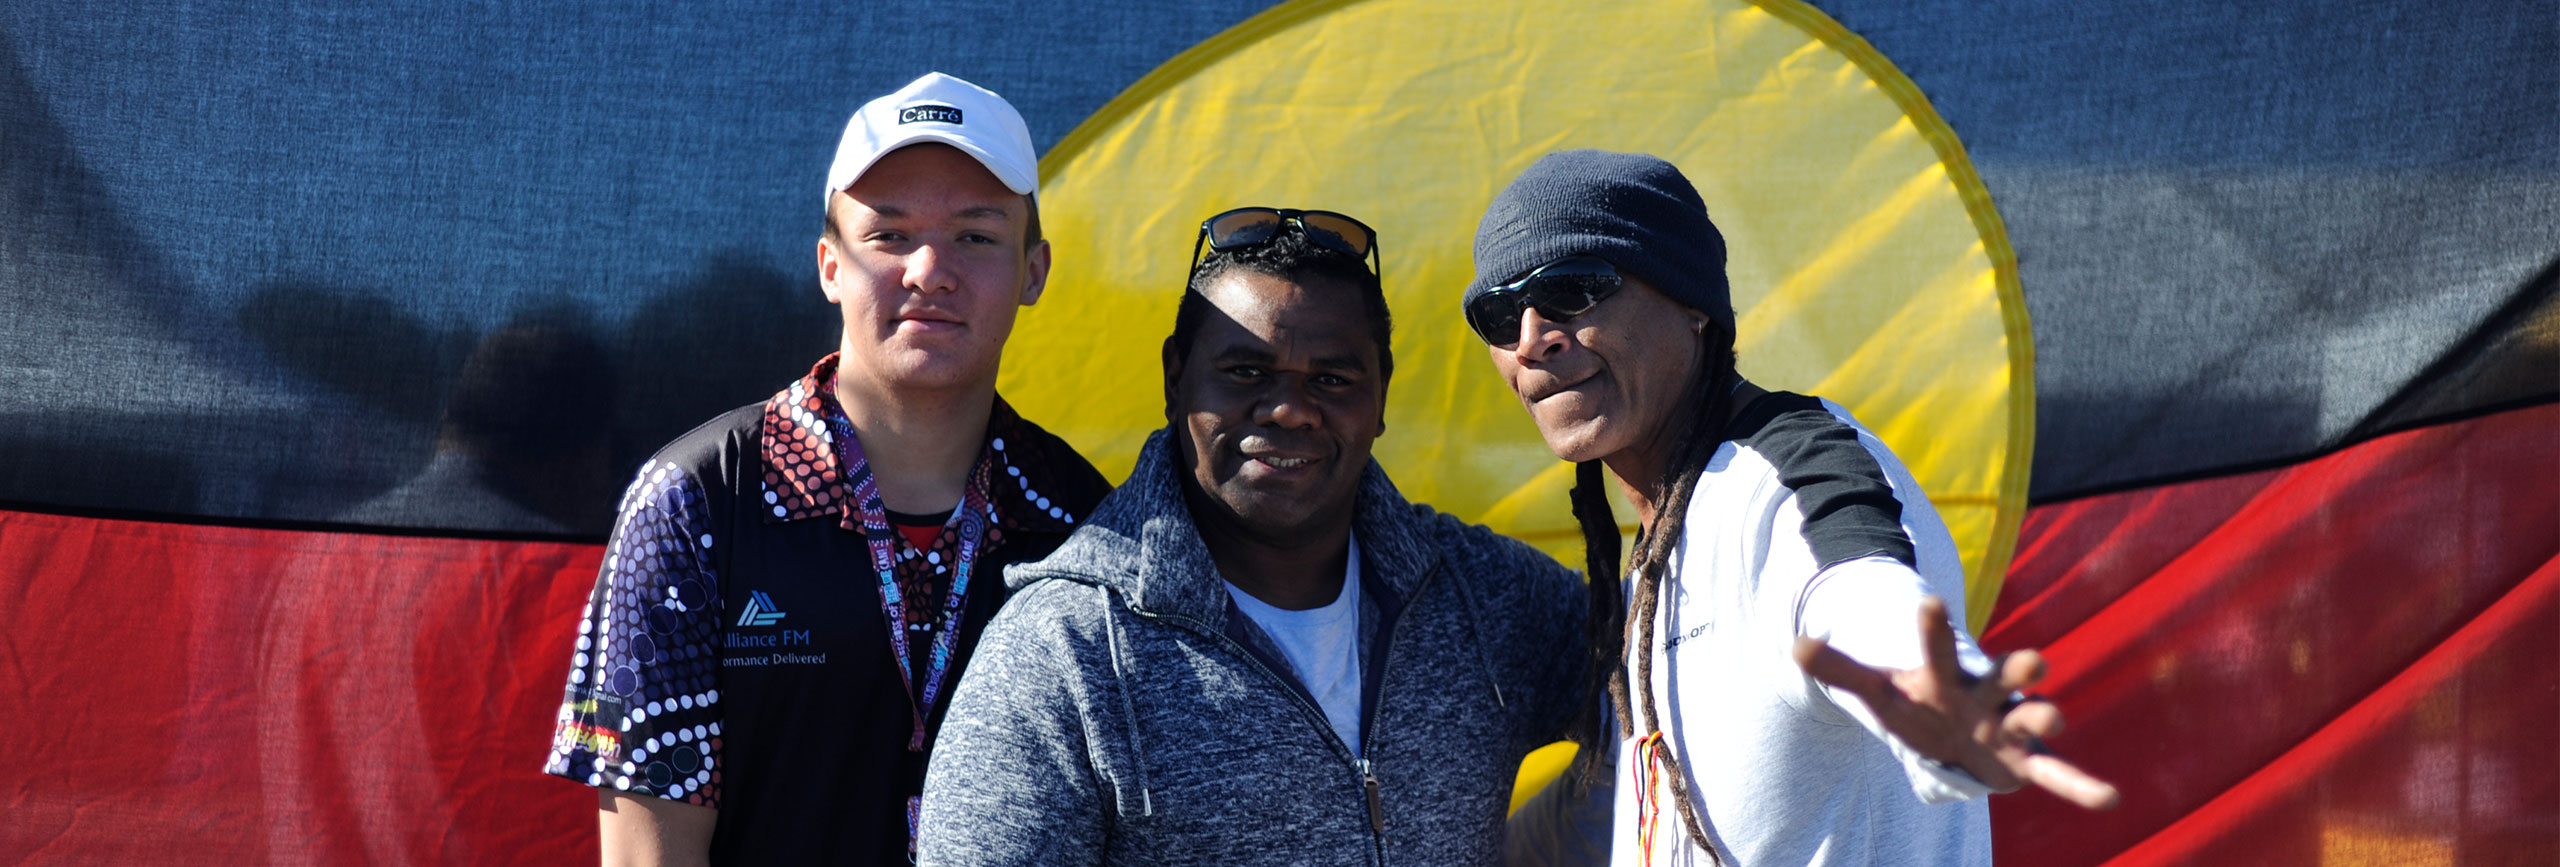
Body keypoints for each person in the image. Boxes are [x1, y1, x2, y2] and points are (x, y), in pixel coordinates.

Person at [1468, 149, 2117, 866]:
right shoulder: (1659, 552)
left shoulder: (1784, 479)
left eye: (1574, 287)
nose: (1531, 339)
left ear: (1691, 303)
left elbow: (1859, 587)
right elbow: (1629, 804)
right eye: (1498, 313)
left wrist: (1946, 707)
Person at [539, 72, 1110, 865]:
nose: (929, 270)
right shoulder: (698, 501)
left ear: (1034, 272)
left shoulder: (1085, 521)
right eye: (890, 235)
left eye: (976, 236)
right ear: (829, 266)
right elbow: (647, 856)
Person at [915, 209, 1590, 866]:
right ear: (1175, 378)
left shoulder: (1490, 597)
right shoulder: (1062, 653)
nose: (1290, 408)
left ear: (1381, 396)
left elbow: (1671, 682)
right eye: (1246, 372)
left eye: (1331, 378)